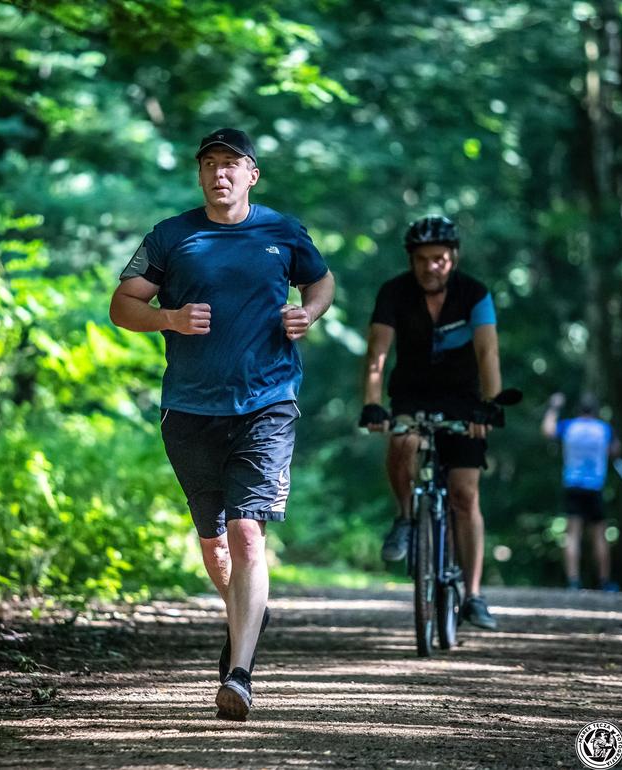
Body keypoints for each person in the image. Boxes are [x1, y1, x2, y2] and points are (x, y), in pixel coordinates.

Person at [109, 128, 335, 721]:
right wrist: (171, 319)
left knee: (247, 532)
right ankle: (246, 613)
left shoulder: (282, 231)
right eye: (210, 164)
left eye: (232, 165)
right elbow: (122, 304)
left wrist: (307, 312)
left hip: (267, 402)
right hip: (190, 408)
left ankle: (240, 673)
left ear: (252, 174)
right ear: (201, 174)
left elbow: (322, 279)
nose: (220, 174)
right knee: (215, 550)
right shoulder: (171, 236)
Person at [359, 215, 502, 630]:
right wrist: (372, 403)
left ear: (453, 258)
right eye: (422, 259)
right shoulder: (394, 292)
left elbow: (488, 353)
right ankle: (406, 517)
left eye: (438, 258)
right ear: (411, 260)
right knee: (402, 443)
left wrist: (489, 406)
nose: (430, 266)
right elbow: (377, 355)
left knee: (464, 494)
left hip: (464, 399)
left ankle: (473, 594)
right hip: (412, 394)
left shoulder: (474, 293)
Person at [541, 392, 621, 591]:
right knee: (600, 535)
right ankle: (604, 581)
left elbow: (548, 431)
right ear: (596, 411)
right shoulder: (604, 429)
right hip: (595, 486)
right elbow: (615, 451)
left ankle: (573, 580)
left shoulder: (570, 426)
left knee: (573, 534)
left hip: (573, 485)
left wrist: (554, 407)